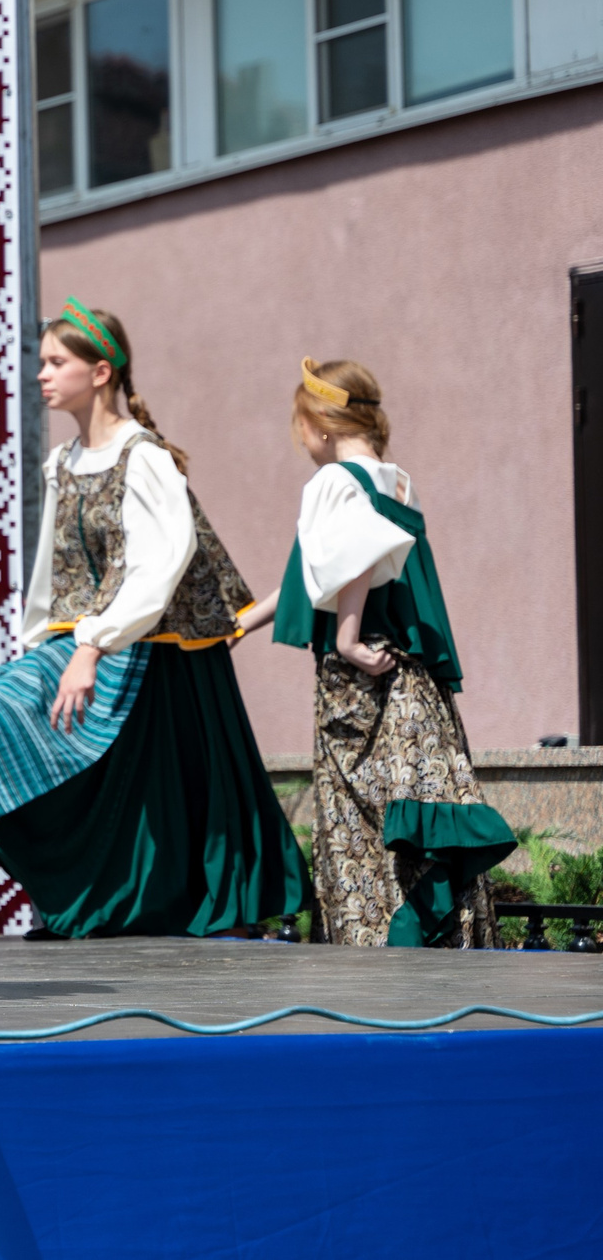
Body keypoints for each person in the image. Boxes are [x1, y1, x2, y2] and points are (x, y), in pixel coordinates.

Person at [0, 303, 306, 938]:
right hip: (99, 643)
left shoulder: (146, 458)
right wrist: (41, 645)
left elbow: (160, 564)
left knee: (161, 798)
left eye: (57, 362)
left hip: (163, 656)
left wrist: (93, 646)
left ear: (101, 371)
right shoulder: (66, 461)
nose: (42, 376)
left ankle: (160, 909)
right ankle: (99, 903)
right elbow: (54, 572)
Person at [237, 360, 509, 946]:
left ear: (323, 423)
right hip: (411, 684)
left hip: (359, 682)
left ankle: (373, 961)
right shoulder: (399, 481)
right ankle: (436, 947)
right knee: (410, 816)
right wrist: (240, 624)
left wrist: (346, 639)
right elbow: (320, 577)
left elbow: (355, 556)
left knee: (357, 830)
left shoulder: (334, 482)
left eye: (301, 427)